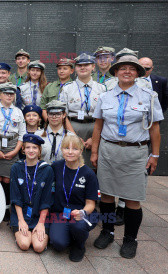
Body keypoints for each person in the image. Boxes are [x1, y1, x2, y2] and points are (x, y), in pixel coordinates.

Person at [91, 54, 163, 259]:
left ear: (138, 73)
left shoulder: (148, 96)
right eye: (123, 68)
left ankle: (130, 239)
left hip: (136, 152)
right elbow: (98, 125)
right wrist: (95, 151)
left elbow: (155, 128)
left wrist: (155, 155)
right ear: (115, 72)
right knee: (106, 194)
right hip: (109, 150)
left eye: (132, 68)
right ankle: (107, 231)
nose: (127, 71)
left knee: (132, 198)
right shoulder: (105, 96)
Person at [50, 135, 99, 262]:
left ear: (81, 151)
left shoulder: (88, 174)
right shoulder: (56, 167)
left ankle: (79, 245)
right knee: (58, 244)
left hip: (82, 213)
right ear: (62, 149)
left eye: (75, 149)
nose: (70, 152)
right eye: (66, 148)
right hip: (61, 213)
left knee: (79, 225)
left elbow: (90, 204)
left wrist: (82, 212)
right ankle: (70, 234)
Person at [59, 53, 107, 169]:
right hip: (73, 127)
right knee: (73, 160)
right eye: (79, 65)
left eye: (86, 65)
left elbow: (106, 115)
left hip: (96, 127)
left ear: (93, 67)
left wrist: (94, 138)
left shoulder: (102, 88)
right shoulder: (67, 88)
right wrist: (74, 136)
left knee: (94, 163)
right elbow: (62, 115)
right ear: (75, 69)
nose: (83, 68)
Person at [0, 82, 26, 221]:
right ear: (0, 95)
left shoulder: (18, 112)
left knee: (8, 179)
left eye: (11, 94)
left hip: (12, 145)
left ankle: (6, 208)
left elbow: (22, 133)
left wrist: (16, 151)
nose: (9, 96)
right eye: (6, 93)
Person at [10, 134, 53, 253]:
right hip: (22, 213)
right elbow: (15, 197)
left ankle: (38, 232)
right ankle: (21, 233)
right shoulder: (16, 168)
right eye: (28, 147)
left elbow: (46, 200)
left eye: (34, 147)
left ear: (39, 151)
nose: (31, 150)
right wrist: (21, 220)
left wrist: (41, 223)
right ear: (23, 149)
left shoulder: (47, 170)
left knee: (38, 247)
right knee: (24, 244)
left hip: (39, 214)